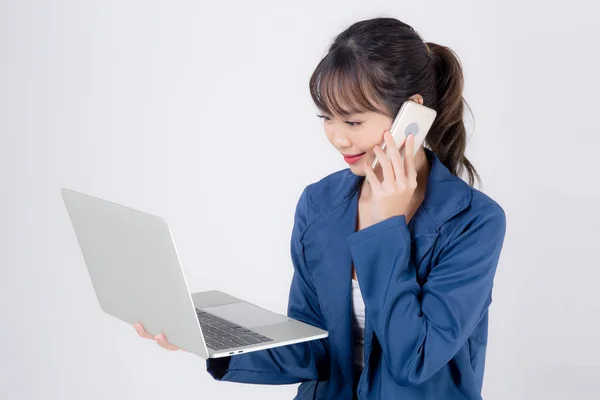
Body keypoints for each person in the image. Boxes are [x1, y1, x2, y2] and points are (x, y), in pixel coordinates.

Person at [133, 17, 506, 400]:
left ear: (411, 115)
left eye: (354, 120)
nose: (338, 138)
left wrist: (387, 225)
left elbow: (415, 358)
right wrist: (210, 341)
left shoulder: (473, 221)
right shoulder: (320, 204)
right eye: (326, 117)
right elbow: (314, 347)